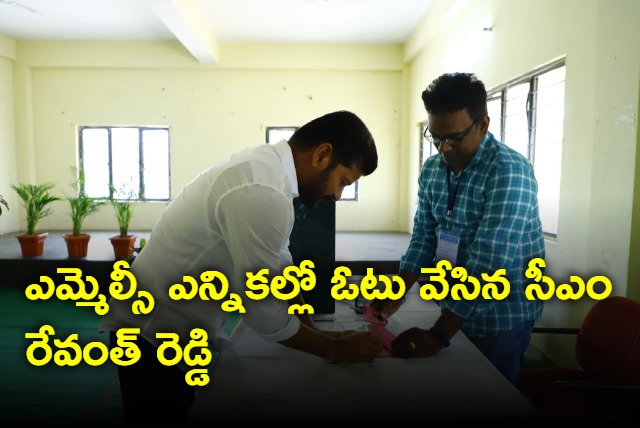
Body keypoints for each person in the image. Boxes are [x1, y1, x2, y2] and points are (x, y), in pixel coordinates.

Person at [98, 110, 382, 426]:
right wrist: (334, 349)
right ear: (322, 154)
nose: (337, 195)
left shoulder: (267, 172)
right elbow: (261, 309)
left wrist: (313, 330)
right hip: (151, 331)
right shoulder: (262, 190)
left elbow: (280, 264)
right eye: (342, 181)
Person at [373, 72, 545, 385]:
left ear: (483, 124)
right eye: (435, 137)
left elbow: (489, 263)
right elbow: (424, 238)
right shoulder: (433, 170)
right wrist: (396, 291)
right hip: (451, 309)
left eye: (454, 138)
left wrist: (439, 335)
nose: (444, 148)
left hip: (499, 317)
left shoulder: (508, 171)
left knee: (488, 397)